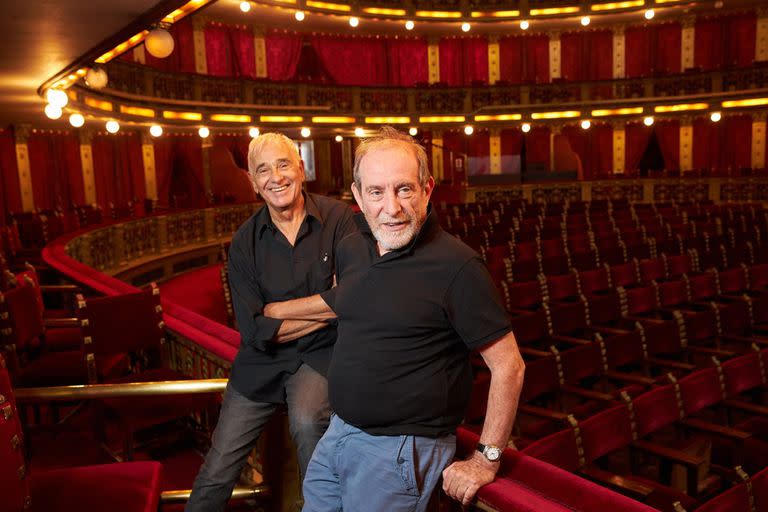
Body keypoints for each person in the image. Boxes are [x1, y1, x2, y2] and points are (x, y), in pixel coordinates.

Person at [264, 127, 525, 511]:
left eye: (404, 189)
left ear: (426, 189)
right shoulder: (352, 246)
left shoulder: (458, 267)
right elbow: (353, 304)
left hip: (399, 454)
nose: (392, 207)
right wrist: (279, 312)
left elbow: (510, 367)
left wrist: (486, 458)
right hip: (337, 435)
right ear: (357, 196)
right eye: (376, 192)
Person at [185, 132, 356, 512]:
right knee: (219, 463)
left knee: (309, 423)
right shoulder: (244, 242)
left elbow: (353, 298)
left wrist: (277, 310)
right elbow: (254, 329)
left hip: (319, 357)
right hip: (260, 363)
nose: (275, 177)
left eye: (283, 164)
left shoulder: (339, 218)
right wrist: (327, 308)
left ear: (301, 168)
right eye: (263, 170)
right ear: (252, 181)